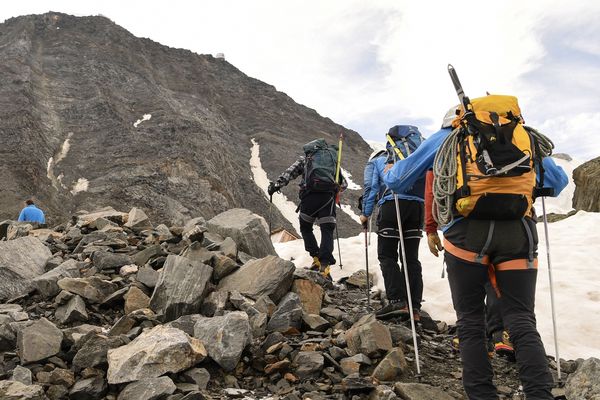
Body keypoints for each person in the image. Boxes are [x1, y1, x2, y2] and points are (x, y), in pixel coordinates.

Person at [386, 98, 568, 399]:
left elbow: (398, 181)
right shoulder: (522, 135)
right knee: (521, 319)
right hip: (518, 232)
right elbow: (558, 182)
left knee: (470, 321)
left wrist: (392, 168)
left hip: (466, 234)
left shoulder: (450, 136)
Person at [424, 169, 514, 359]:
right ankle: (500, 334)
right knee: (495, 280)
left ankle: (474, 337)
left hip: (462, 226)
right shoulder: (520, 140)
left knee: (468, 286)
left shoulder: (444, 143)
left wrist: (431, 228)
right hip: (507, 224)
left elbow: (432, 187)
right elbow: (556, 180)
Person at [359, 125, 425, 321]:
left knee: (387, 255)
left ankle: (397, 301)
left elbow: (371, 188)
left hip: (393, 205)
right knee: (410, 258)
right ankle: (415, 307)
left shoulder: (378, 161)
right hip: (417, 207)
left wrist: (365, 214)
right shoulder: (415, 156)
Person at [268, 138, 346, 280]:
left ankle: (315, 257)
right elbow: (343, 184)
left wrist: (277, 185)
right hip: (327, 200)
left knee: (305, 227)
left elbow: (289, 173)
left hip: (309, 198)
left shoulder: (305, 159)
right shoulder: (333, 162)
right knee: (327, 230)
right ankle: (325, 265)